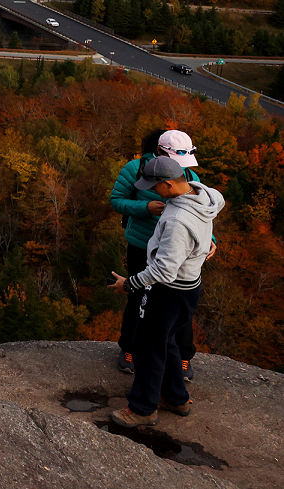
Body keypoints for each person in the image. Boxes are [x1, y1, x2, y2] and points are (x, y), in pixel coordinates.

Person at [107, 155, 224, 427]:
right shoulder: (204, 195)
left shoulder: (177, 221)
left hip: (169, 291)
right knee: (167, 340)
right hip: (189, 288)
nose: (150, 190)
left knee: (149, 348)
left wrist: (130, 284)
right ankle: (175, 397)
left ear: (170, 185)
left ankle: (143, 408)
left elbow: (164, 271)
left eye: (154, 185)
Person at [109, 128, 216, 378]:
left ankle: (182, 356)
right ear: (158, 152)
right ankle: (130, 349)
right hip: (141, 244)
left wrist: (209, 238)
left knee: (176, 306)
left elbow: (200, 210)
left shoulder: (189, 174)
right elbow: (117, 200)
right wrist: (145, 207)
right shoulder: (135, 169)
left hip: (179, 250)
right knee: (138, 299)